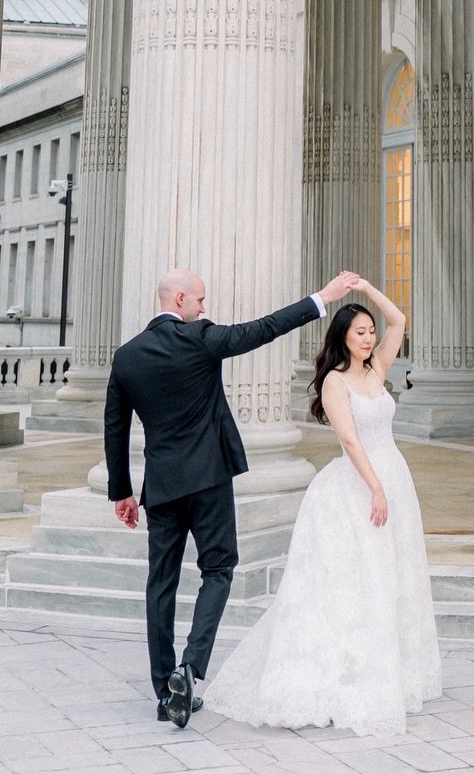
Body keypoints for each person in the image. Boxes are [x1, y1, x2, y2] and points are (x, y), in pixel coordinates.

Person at [104, 266, 363, 728]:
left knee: (160, 583)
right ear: (180, 298)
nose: (204, 308)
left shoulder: (126, 357)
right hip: (208, 478)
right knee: (218, 570)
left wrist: (122, 492)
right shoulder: (201, 338)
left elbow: (115, 429)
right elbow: (265, 329)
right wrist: (322, 297)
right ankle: (191, 667)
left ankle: (165, 691)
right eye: (200, 300)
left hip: (161, 486)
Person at [206, 278, 442, 740]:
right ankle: (343, 673)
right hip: (356, 486)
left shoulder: (376, 371)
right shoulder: (335, 381)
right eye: (359, 332)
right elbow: (350, 440)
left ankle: (393, 669)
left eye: (370, 331)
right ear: (342, 338)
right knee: (353, 580)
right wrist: (375, 487)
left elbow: (400, 320)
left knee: (391, 574)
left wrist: (370, 289)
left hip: (393, 475)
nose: (370, 337)